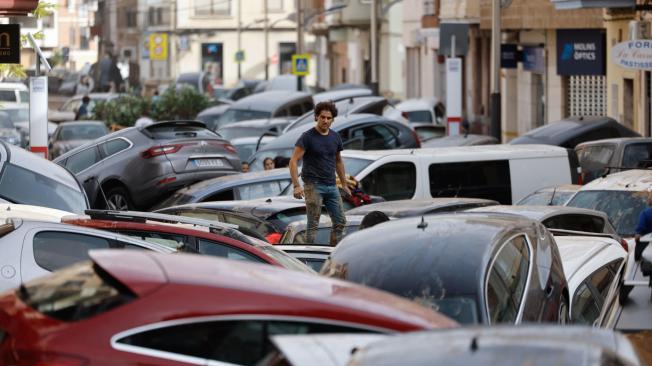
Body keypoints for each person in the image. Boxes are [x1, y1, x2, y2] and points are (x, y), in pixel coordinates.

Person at [289, 101, 350, 246]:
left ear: (333, 119)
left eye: (329, 118)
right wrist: (296, 186)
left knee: (340, 221)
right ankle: (308, 257)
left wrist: (344, 184)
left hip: (331, 185)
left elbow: (338, 161)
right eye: (322, 117)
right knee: (313, 225)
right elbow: (293, 161)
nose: (325, 120)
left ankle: (332, 252)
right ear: (316, 117)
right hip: (313, 186)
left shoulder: (335, 137)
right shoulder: (307, 137)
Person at [635, 189, 652, 261]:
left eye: (650, 196)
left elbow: (638, 235)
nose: (648, 198)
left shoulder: (645, 214)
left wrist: (637, 237)